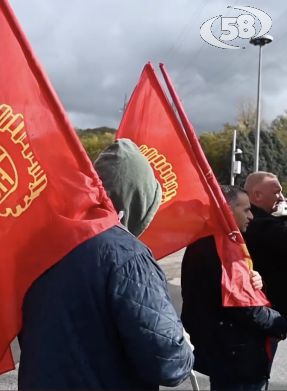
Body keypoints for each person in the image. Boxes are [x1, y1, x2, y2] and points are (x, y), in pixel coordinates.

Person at [17, 139, 193, 390]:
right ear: (138, 200)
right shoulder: (127, 254)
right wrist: (183, 345)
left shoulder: (41, 244)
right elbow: (168, 362)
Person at [180, 184, 287, 391]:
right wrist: (280, 322)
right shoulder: (222, 247)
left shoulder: (212, 240)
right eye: (246, 209)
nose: (251, 216)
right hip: (237, 356)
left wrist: (257, 282)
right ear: (226, 209)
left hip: (227, 353)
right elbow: (242, 307)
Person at [243, 172, 287, 316]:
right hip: (267, 307)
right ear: (257, 195)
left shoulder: (262, 223)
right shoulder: (264, 227)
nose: (281, 197)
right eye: (276, 192)